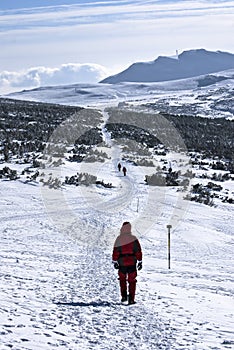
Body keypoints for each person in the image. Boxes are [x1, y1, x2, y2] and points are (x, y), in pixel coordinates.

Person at [112, 222, 142, 304]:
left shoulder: (119, 239)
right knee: (132, 280)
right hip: (132, 262)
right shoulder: (133, 238)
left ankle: (124, 296)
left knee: (122, 279)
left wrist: (114, 261)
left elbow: (116, 251)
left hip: (122, 263)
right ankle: (131, 299)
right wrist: (140, 261)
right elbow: (138, 250)